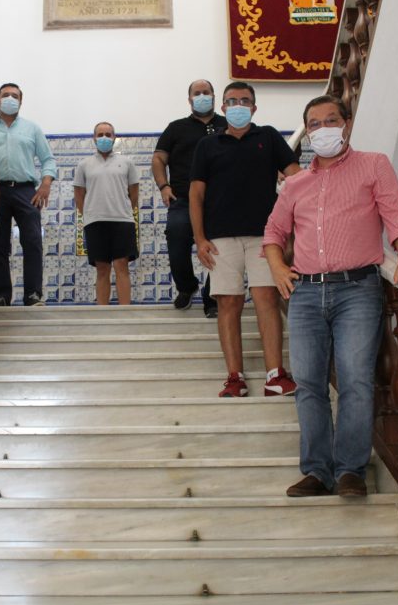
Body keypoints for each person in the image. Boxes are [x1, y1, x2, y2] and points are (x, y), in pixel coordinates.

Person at [263, 95, 398, 498]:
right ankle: (317, 471)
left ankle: (350, 471)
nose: (323, 129)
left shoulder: (374, 165)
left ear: (347, 124)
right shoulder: (295, 185)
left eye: (331, 120)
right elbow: (273, 232)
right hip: (305, 294)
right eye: (314, 124)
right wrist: (277, 267)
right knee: (308, 383)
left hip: (357, 290)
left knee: (355, 380)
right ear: (307, 133)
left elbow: (395, 212)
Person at [190, 81, 300, 398]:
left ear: (254, 107)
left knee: (267, 299)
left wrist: (292, 232)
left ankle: (275, 375)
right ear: (223, 107)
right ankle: (234, 378)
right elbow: (196, 195)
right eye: (232, 101)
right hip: (220, 239)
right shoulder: (207, 146)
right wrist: (199, 238)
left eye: (244, 100)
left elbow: (297, 180)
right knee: (228, 303)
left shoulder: (268, 137)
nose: (238, 105)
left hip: (266, 237)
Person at [0, 83, 58, 306]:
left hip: (26, 191)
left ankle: (33, 295)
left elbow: (48, 159)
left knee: (33, 241)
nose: (10, 98)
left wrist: (46, 183)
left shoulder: (32, 129)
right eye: (5, 95)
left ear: (20, 102)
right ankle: (1, 296)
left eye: (14, 96)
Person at [153, 80, 227, 316]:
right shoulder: (176, 128)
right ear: (189, 99)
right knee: (176, 237)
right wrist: (163, 186)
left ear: (214, 96)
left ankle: (211, 298)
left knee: (220, 249)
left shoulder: (227, 125)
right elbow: (158, 159)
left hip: (219, 201)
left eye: (206, 92)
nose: (202, 96)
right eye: (197, 93)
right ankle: (186, 287)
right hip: (182, 199)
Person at [73, 122, 140, 305]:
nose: (104, 138)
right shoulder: (84, 165)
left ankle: (125, 313)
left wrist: (124, 210)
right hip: (95, 223)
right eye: (100, 134)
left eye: (108, 134)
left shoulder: (126, 163)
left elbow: (134, 193)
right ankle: (101, 314)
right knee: (102, 269)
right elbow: (79, 194)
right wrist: (89, 214)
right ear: (94, 138)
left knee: (121, 266)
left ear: (114, 137)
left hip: (122, 221)